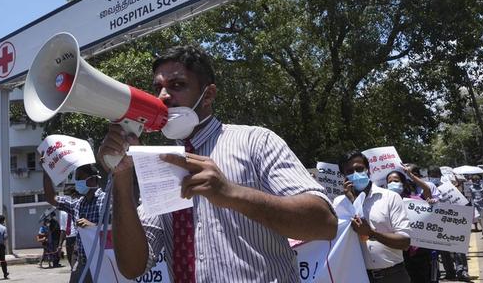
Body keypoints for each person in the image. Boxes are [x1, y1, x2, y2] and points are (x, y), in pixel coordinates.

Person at [104, 44, 338, 282]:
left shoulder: (256, 141)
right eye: (158, 88)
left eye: (177, 85)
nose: (163, 97)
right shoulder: (160, 162)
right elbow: (133, 267)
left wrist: (231, 193)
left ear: (208, 94)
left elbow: (324, 224)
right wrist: (122, 178)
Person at [335, 151, 411, 283]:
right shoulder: (339, 203)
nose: (356, 174)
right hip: (356, 276)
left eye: (359, 169)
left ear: (368, 170)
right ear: (344, 176)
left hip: (392, 276)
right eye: (350, 171)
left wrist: (371, 233)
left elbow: (405, 242)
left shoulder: (390, 197)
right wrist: (352, 202)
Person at [43, 163, 105, 283]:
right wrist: (46, 171)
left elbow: (113, 231)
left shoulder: (105, 200)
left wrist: (92, 226)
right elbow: (51, 198)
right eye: (76, 179)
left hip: (101, 263)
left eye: (80, 178)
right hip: (82, 263)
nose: (77, 182)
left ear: (92, 179)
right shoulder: (78, 204)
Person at [385, 169, 434, 283]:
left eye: (396, 181)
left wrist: (410, 175)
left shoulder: (414, 200)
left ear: (403, 183)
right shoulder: (385, 202)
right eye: (390, 181)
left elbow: (427, 190)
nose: (392, 183)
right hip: (398, 252)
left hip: (418, 253)